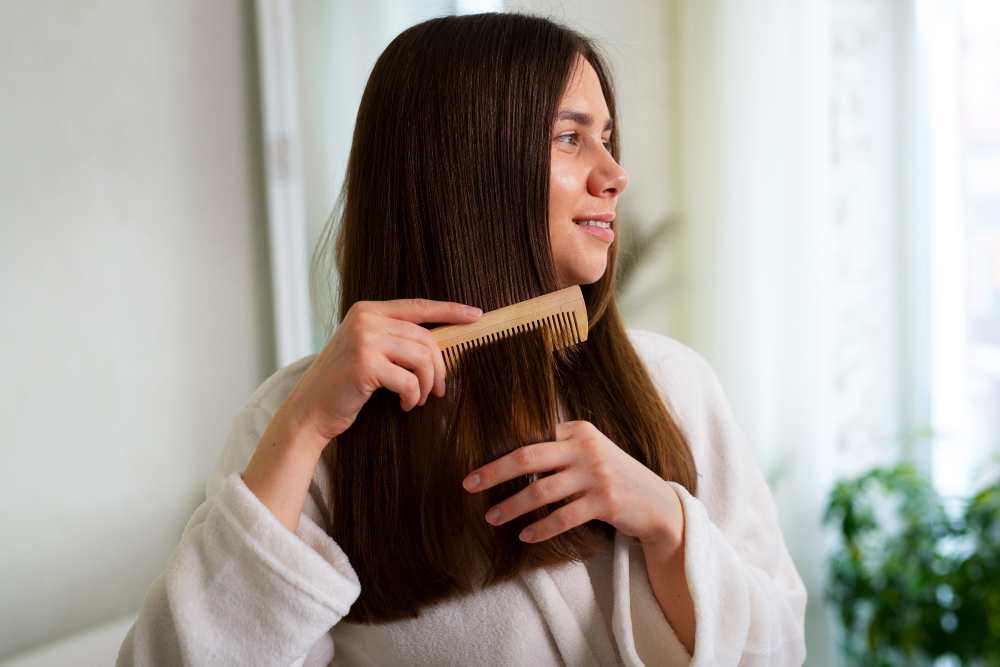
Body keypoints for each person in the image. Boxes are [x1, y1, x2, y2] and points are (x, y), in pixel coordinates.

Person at [118, 12, 807, 667]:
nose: (615, 174)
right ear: (467, 167)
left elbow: (780, 646)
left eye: (607, 136)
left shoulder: (674, 384)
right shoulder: (304, 427)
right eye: (571, 137)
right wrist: (302, 427)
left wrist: (666, 521)